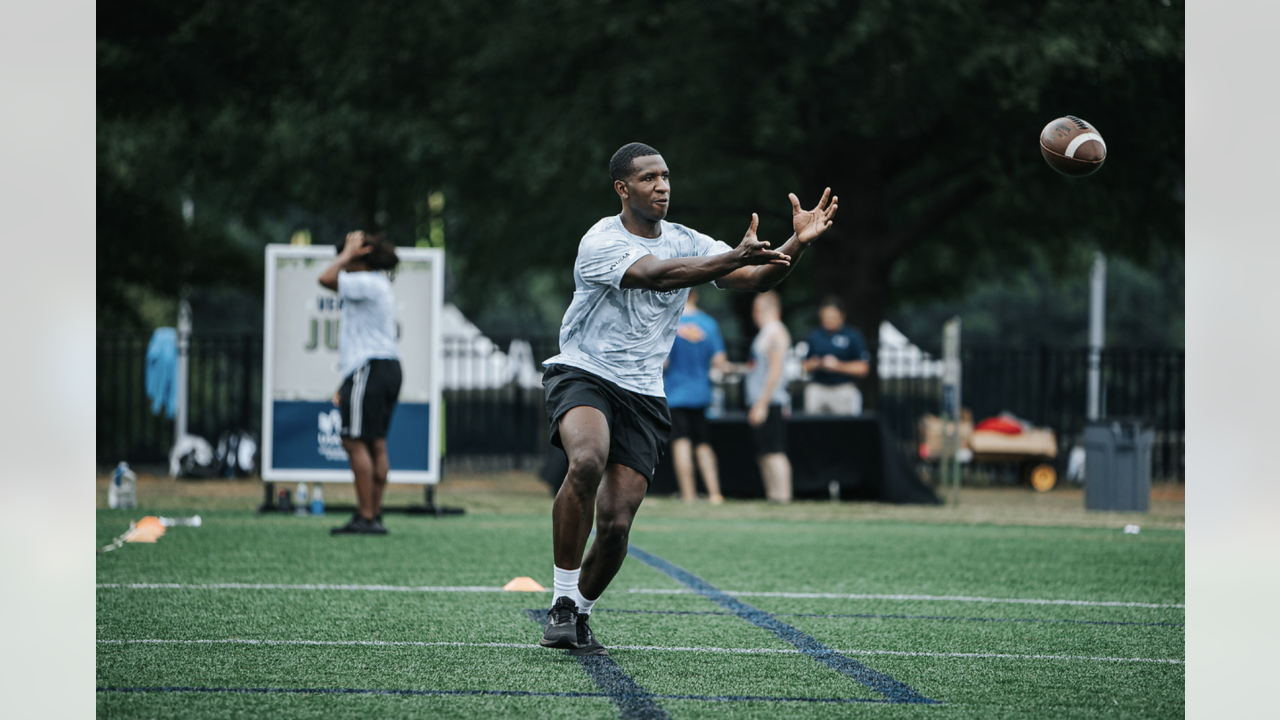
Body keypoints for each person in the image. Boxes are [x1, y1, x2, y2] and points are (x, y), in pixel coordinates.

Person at [539, 142, 837, 655]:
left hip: (645, 391)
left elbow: (756, 276)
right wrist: (729, 256)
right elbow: (658, 275)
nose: (662, 186)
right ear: (622, 188)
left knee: (615, 525)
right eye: (649, 178)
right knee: (586, 460)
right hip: (585, 372)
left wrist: (798, 242)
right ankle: (562, 603)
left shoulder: (687, 239)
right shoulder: (601, 240)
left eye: (666, 177)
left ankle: (579, 614)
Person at [318, 231, 403, 535]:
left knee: (354, 440)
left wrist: (346, 255)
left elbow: (325, 278)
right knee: (375, 443)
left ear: (359, 257)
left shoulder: (366, 281)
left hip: (370, 368)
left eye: (347, 256)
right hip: (383, 367)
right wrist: (346, 383)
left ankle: (366, 517)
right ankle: (373, 515)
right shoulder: (376, 284)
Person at [663, 288, 728, 504]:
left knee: (681, 442)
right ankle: (715, 494)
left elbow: (663, 362)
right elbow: (719, 360)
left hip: (676, 392)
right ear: (696, 295)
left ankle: (688, 496)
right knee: (703, 443)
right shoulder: (709, 323)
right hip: (702, 393)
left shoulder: (670, 322)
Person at [745, 291, 793, 503]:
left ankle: (783, 496)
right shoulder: (765, 333)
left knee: (775, 451)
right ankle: (773, 496)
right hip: (761, 400)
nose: (755, 314)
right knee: (764, 452)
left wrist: (762, 403)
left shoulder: (776, 333)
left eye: (758, 309)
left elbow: (775, 370)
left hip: (771, 401)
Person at [801, 296, 869, 415]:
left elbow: (863, 368)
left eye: (832, 317)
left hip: (843, 389)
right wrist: (817, 364)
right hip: (818, 388)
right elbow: (804, 366)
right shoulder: (815, 336)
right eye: (825, 317)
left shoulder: (852, 336)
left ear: (842, 316)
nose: (828, 321)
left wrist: (837, 366)